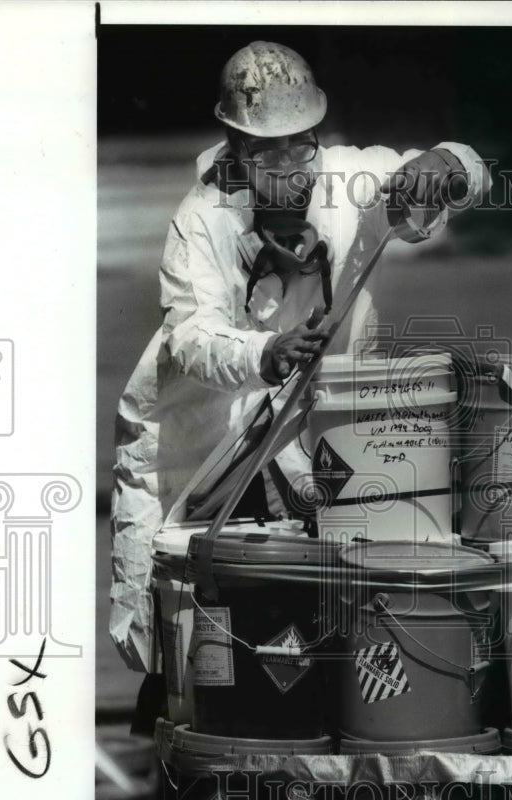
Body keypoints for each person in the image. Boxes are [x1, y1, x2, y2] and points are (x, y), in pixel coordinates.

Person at [110, 40, 492, 691]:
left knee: (326, 604)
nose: (290, 167)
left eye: (301, 144)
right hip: (199, 440)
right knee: (183, 627)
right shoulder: (201, 221)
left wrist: (445, 165)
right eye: (267, 151)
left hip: (312, 432)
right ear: (233, 145)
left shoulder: (346, 182)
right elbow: (191, 337)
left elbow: (467, 170)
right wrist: (266, 352)